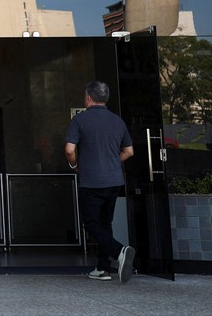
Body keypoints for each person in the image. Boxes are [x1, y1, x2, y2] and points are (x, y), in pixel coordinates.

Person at [65, 80, 135, 283]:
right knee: (105, 223)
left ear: (88, 98)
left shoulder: (80, 120)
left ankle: (119, 251)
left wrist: (74, 165)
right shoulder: (118, 121)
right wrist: (113, 162)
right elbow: (129, 152)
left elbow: (70, 150)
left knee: (91, 224)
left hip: (92, 181)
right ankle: (102, 269)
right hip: (114, 180)